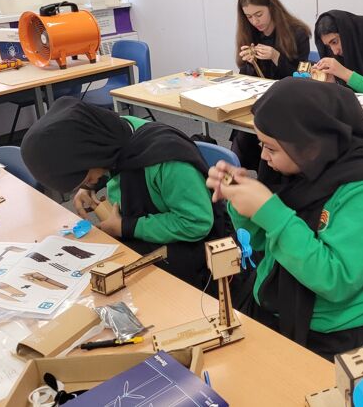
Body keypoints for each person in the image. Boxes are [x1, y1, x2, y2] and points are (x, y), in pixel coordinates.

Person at [206, 78, 363, 360]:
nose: (263, 156)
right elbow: (263, 245)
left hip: (335, 331)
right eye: (261, 144)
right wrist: (244, 207)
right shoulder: (300, 170)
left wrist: (268, 210)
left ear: (310, 146)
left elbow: (336, 280)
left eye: (271, 148)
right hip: (279, 303)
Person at [21, 97, 226, 288]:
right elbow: (115, 166)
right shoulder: (112, 138)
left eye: (87, 177)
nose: (91, 181)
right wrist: (88, 186)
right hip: (147, 238)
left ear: (93, 154)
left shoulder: (169, 163)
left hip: (194, 254)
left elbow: (196, 223)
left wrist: (126, 227)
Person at [232, 0, 312, 170]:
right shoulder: (250, 32)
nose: (254, 21)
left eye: (259, 14)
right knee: (242, 140)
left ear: (271, 7)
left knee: (256, 140)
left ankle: (261, 176)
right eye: (249, 17)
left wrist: (276, 57)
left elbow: (302, 79)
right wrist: (249, 64)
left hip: (289, 105)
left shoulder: (298, 32)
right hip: (258, 103)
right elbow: (247, 79)